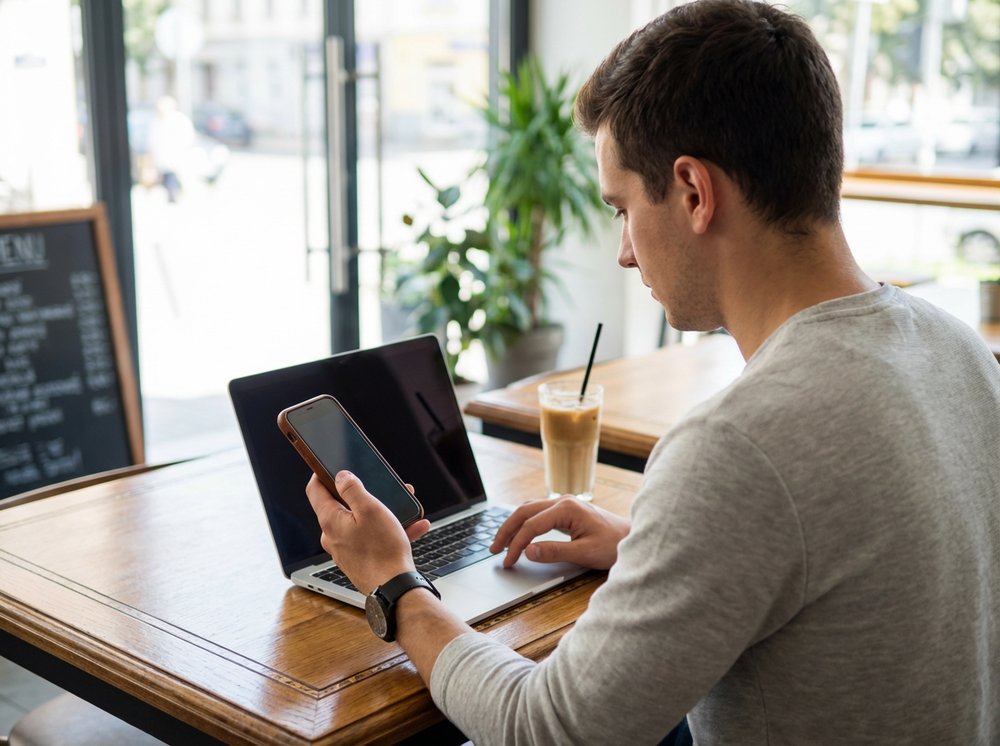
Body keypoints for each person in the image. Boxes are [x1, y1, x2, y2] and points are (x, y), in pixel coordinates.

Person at [306, 1, 1000, 743]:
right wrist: (655, 545)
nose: (625, 252)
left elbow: (548, 729)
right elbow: (856, 561)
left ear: (695, 193)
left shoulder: (738, 446)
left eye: (623, 208)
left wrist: (395, 583)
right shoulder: (960, 350)